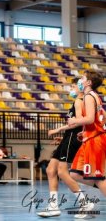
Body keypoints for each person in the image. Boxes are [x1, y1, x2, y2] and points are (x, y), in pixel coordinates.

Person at [37, 78, 84, 217]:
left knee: (63, 172)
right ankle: (53, 206)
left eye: (73, 86)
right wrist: (62, 136)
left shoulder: (79, 102)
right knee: (51, 170)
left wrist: (58, 130)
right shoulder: (76, 102)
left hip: (72, 138)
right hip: (67, 138)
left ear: (81, 87)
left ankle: (84, 202)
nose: (71, 89)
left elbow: (78, 122)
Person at [66, 71, 106, 218]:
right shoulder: (95, 96)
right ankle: (88, 203)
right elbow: (100, 119)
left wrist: (74, 121)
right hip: (90, 138)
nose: (80, 81)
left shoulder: (89, 97)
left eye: (82, 78)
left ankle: (88, 203)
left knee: (97, 177)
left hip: (96, 140)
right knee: (74, 173)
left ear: (88, 82)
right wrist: (86, 132)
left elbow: (89, 119)